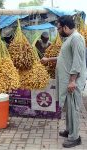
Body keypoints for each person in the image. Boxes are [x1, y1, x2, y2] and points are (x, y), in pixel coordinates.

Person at [41, 15, 86, 148]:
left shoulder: (76, 38)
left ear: (65, 27)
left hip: (72, 82)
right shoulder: (69, 39)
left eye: (59, 28)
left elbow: (77, 62)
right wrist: (48, 60)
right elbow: (63, 57)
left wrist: (73, 81)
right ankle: (69, 131)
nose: (58, 30)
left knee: (74, 109)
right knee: (69, 108)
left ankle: (75, 137)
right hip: (67, 81)